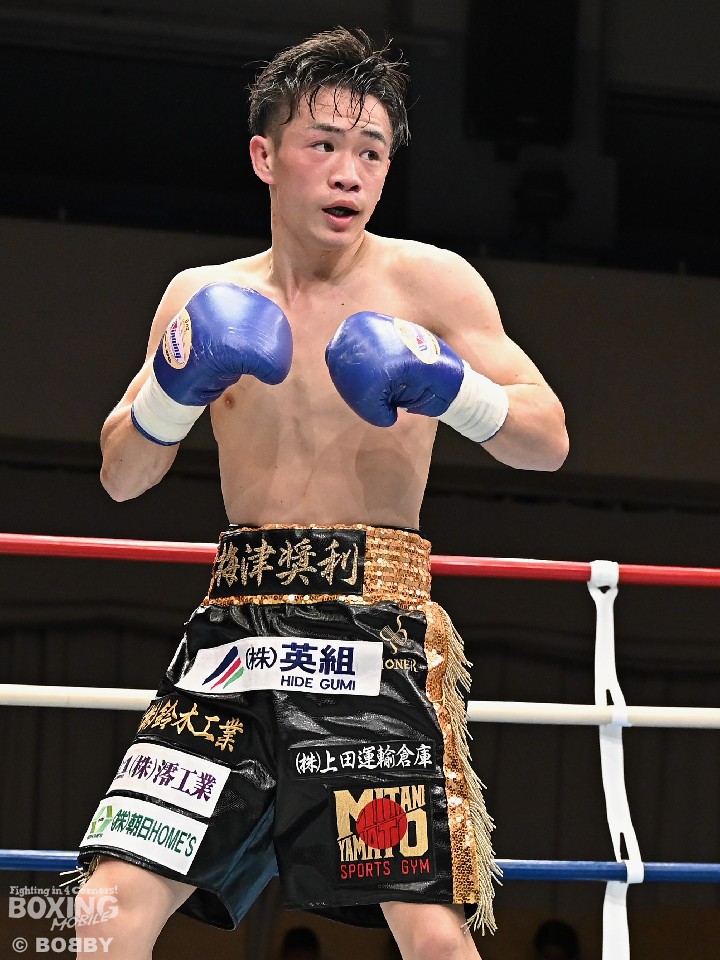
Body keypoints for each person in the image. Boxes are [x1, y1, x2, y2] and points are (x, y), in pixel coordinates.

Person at [74, 26, 568, 960]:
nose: (350, 173)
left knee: (430, 931)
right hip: (233, 635)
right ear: (265, 157)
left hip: (370, 635)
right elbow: (122, 475)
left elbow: (547, 440)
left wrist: (451, 387)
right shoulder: (201, 294)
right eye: (325, 145)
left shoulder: (429, 282)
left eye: (372, 152)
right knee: (105, 906)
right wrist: (176, 392)